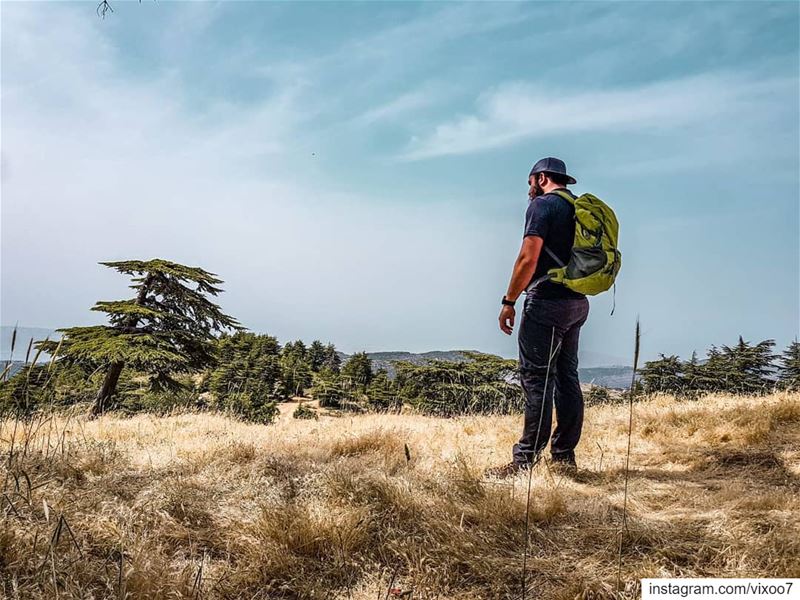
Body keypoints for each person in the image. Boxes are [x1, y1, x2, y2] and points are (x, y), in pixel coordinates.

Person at [486, 157, 590, 478]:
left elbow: (528, 258)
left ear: (541, 178)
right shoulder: (578, 208)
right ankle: (563, 456)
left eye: (530, 181)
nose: (528, 188)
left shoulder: (542, 207)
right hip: (577, 302)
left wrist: (509, 301)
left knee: (536, 380)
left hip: (546, 301)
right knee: (567, 377)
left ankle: (525, 461)